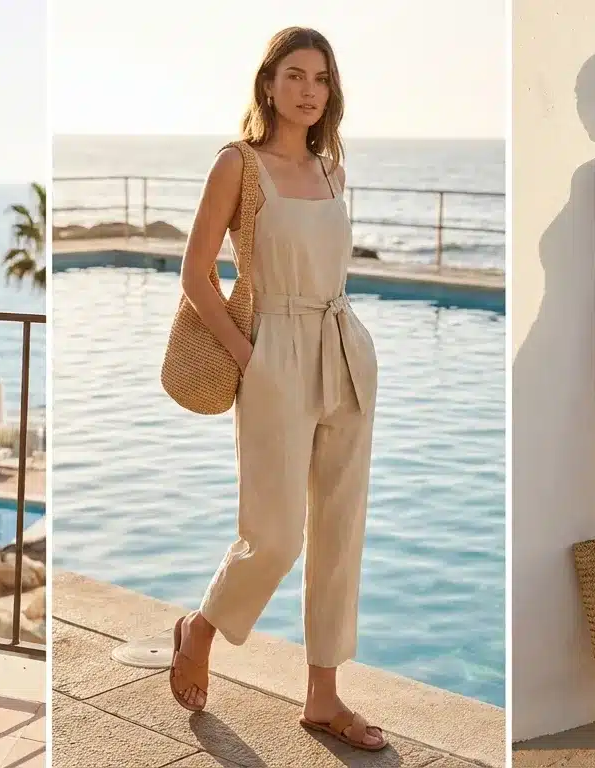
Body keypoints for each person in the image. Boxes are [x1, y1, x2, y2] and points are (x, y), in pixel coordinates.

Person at [166, 27, 385, 752]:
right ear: (268, 85)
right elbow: (197, 274)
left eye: (321, 78)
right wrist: (249, 356)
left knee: (340, 532)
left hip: (345, 349)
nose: (308, 90)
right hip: (275, 352)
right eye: (295, 75)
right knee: (277, 534)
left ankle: (323, 696)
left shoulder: (332, 171)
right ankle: (201, 629)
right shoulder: (239, 165)